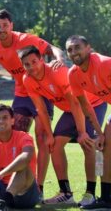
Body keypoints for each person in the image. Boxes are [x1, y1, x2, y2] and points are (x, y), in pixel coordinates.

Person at [0, 9, 64, 194]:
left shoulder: (26, 40)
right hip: (22, 93)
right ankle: (15, 184)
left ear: (11, 25)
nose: (2, 29)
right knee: (14, 138)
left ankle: (38, 187)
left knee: (42, 138)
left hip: (42, 91)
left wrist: (59, 60)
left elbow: (53, 49)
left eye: (5, 25)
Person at [19, 46, 106, 206]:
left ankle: (91, 193)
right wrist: (50, 135)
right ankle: (66, 193)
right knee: (54, 144)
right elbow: (42, 110)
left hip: (91, 105)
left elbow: (75, 102)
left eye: (34, 62)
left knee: (88, 144)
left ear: (41, 60)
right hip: (69, 110)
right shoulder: (27, 79)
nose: (31, 67)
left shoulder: (56, 71)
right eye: (27, 64)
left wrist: (81, 132)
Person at [66, 35, 111, 209]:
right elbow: (85, 105)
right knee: (106, 147)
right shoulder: (73, 74)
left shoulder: (104, 64)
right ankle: (107, 199)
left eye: (77, 47)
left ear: (88, 48)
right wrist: (100, 133)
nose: (74, 52)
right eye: (70, 49)